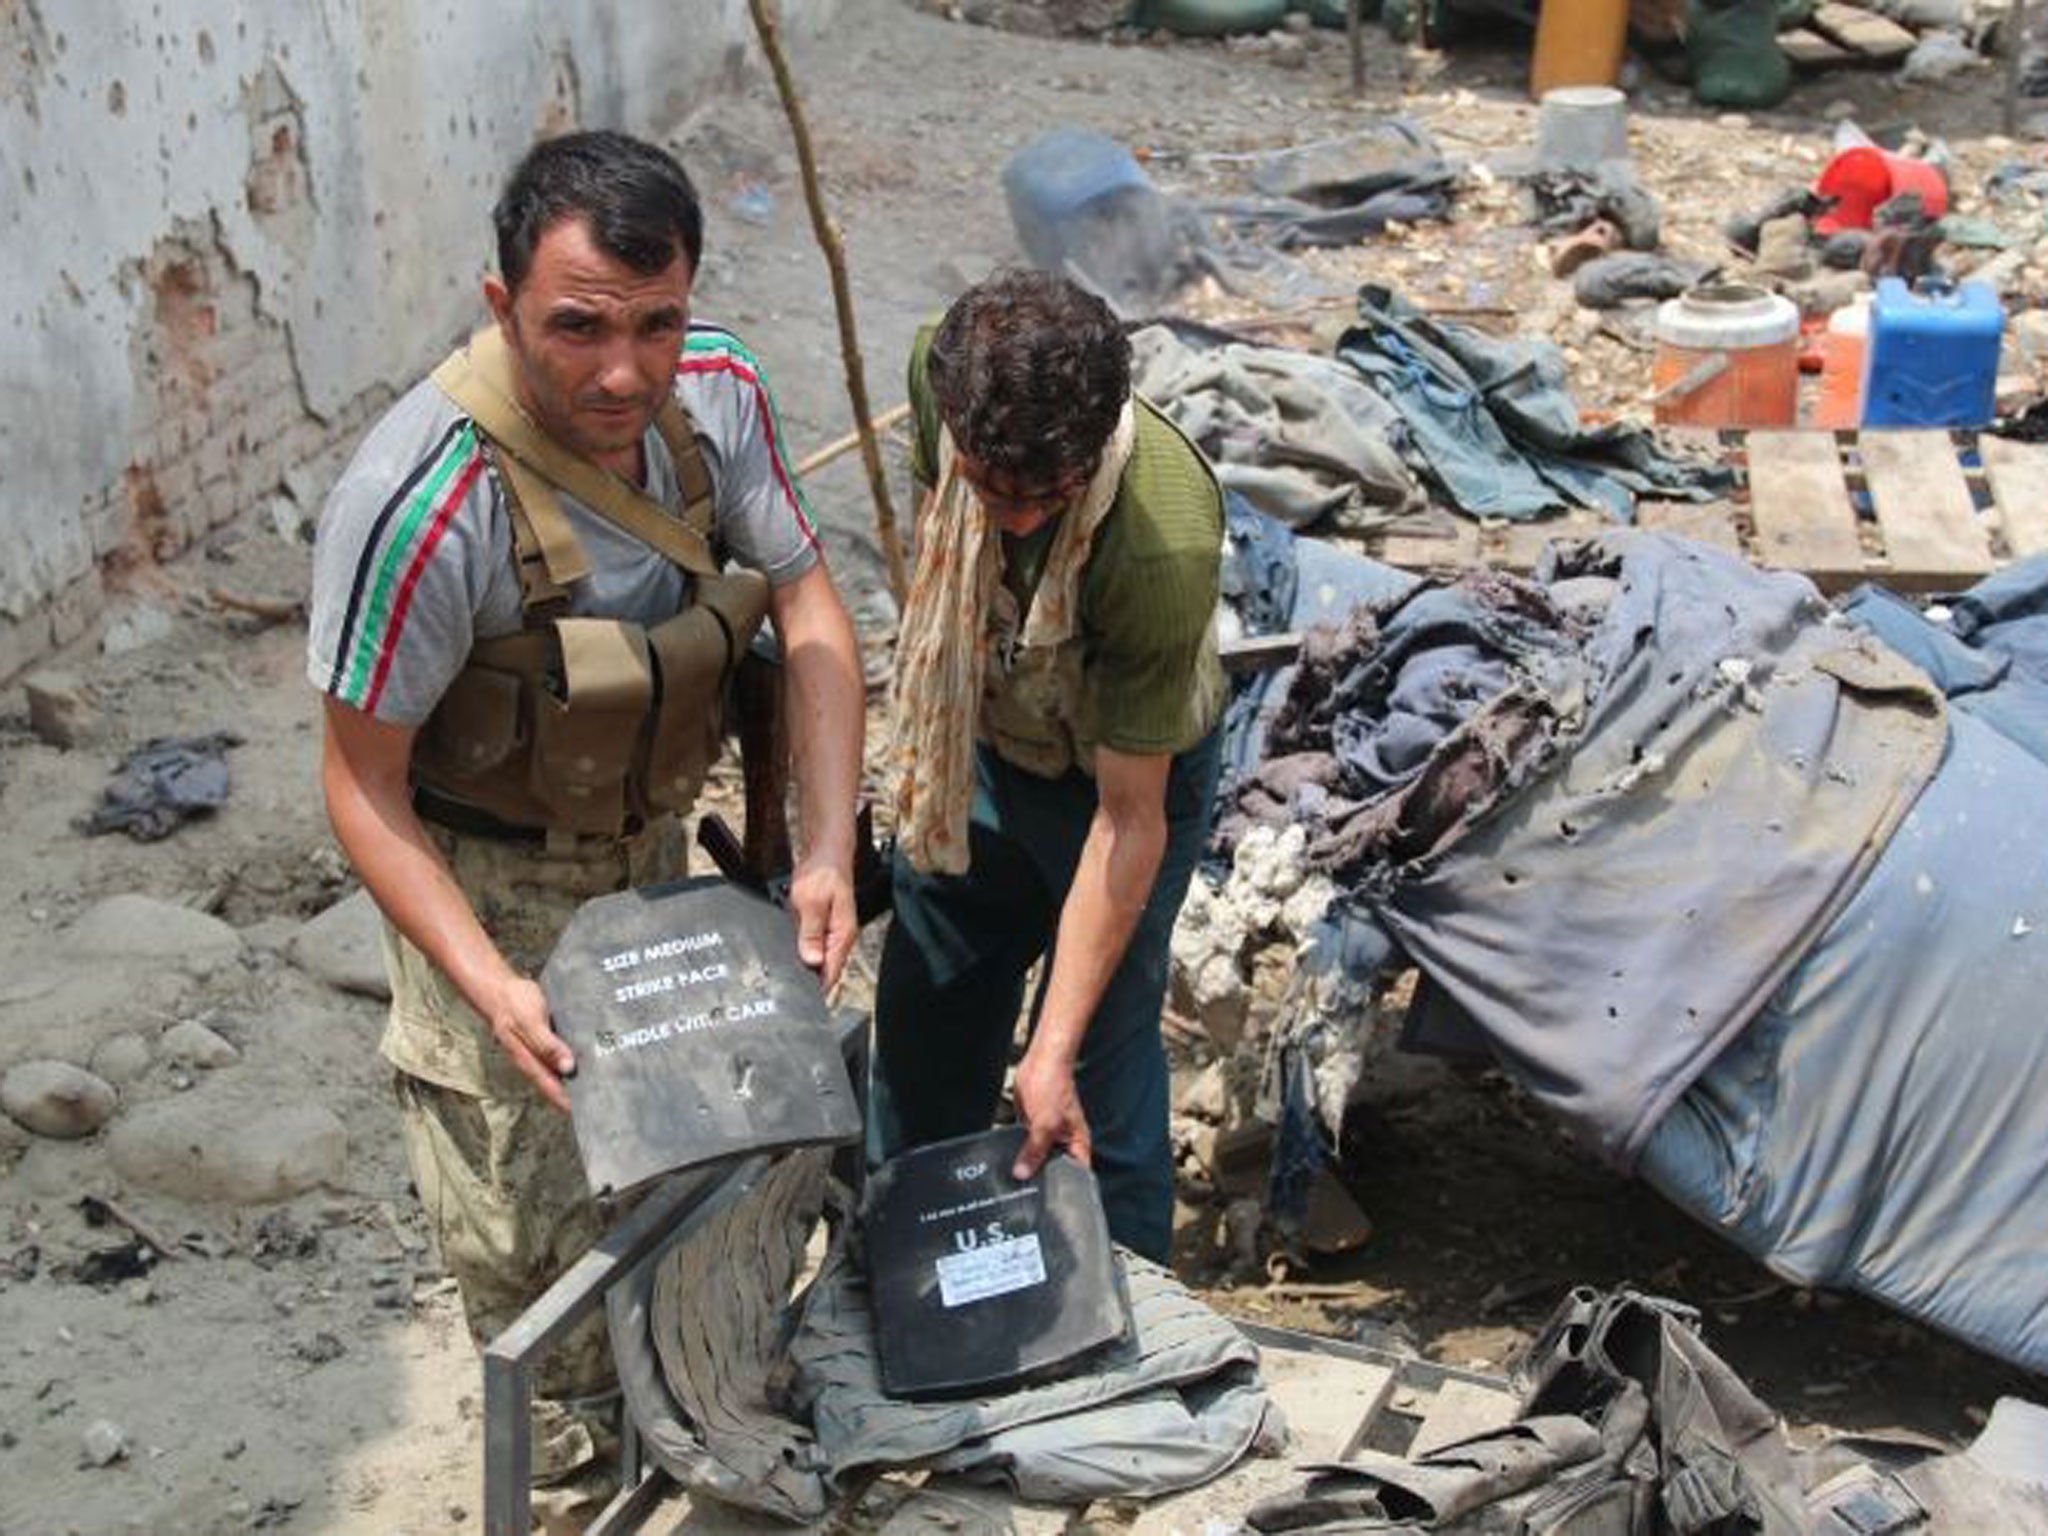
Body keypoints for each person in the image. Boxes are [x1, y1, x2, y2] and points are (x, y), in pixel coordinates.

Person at [306, 130, 863, 1512]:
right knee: (532, 1235)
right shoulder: (420, 507)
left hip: (655, 862)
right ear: (502, 309)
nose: (625, 373)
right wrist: (488, 983)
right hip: (485, 888)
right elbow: (357, 783)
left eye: (657, 322)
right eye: (578, 329)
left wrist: (826, 846)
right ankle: (568, 1481)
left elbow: (806, 608)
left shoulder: (716, 395)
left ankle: (683, 1432)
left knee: (688, 1183)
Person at [874, 270, 1225, 1265]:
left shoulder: (1160, 544)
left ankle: (1134, 1334)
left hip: (1119, 785)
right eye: (991, 490)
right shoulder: (933, 376)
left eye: (1048, 498)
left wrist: (1049, 1045)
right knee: (924, 1022)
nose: (1018, 523)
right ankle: (913, 1281)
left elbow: (1127, 822)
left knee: (1095, 1078)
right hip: (982, 736)